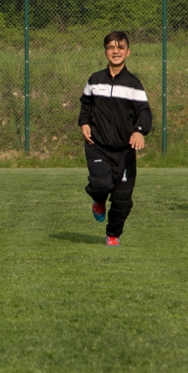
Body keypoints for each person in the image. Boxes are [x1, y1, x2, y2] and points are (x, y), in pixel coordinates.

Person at [79, 31, 152, 246]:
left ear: (128, 52)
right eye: (111, 47)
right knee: (101, 183)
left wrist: (139, 131)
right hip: (98, 145)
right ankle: (98, 200)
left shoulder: (134, 84)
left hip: (125, 151)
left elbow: (145, 113)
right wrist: (84, 123)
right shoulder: (95, 80)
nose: (115, 51)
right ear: (105, 52)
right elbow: (86, 104)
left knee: (122, 200)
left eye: (120, 47)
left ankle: (112, 235)